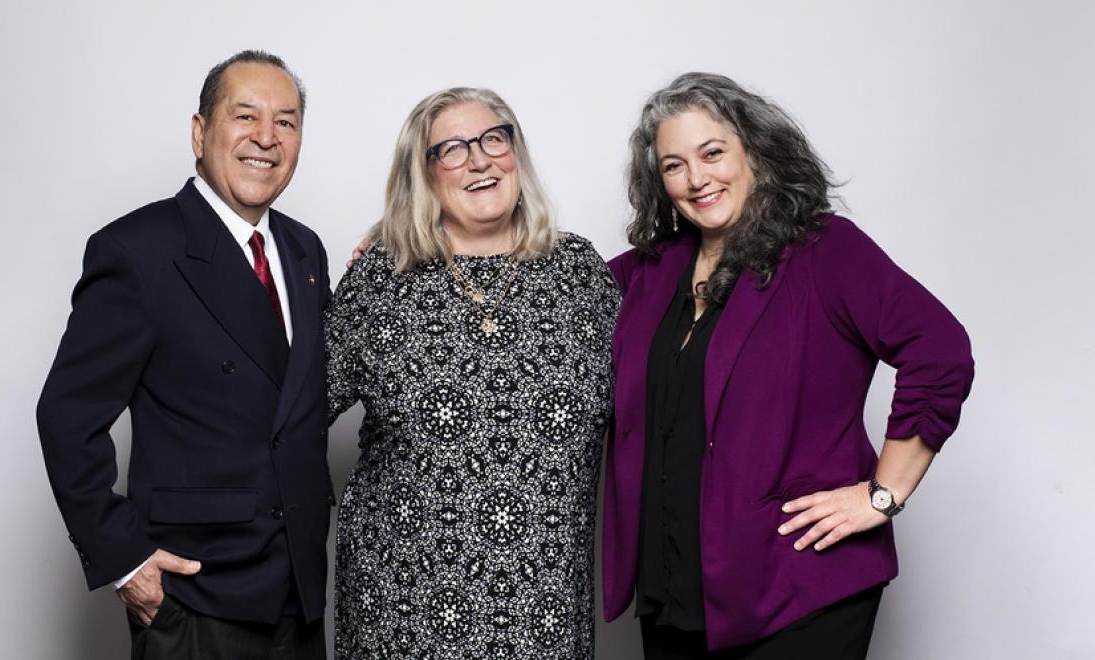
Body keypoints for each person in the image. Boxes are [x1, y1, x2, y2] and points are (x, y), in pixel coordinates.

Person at [603, 72, 975, 659]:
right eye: (673, 165)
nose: (696, 178)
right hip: (674, 587)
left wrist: (883, 493)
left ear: (756, 149)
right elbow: (547, 306)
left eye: (712, 153)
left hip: (800, 585)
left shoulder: (825, 250)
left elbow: (940, 350)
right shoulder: (647, 273)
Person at [37, 50, 331, 660]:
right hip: (195, 595)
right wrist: (124, 560)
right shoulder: (139, 250)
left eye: (287, 121)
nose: (266, 138)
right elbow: (67, 415)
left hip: (298, 589)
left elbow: (303, 395)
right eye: (244, 115)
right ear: (200, 133)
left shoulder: (305, 253)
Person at [325, 87, 619, 658]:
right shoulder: (382, 279)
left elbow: (663, 397)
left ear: (516, 152)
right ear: (424, 174)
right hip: (404, 609)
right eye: (452, 150)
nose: (480, 160)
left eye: (492, 139)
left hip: (546, 611)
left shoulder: (581, 272)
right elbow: (290, 414)